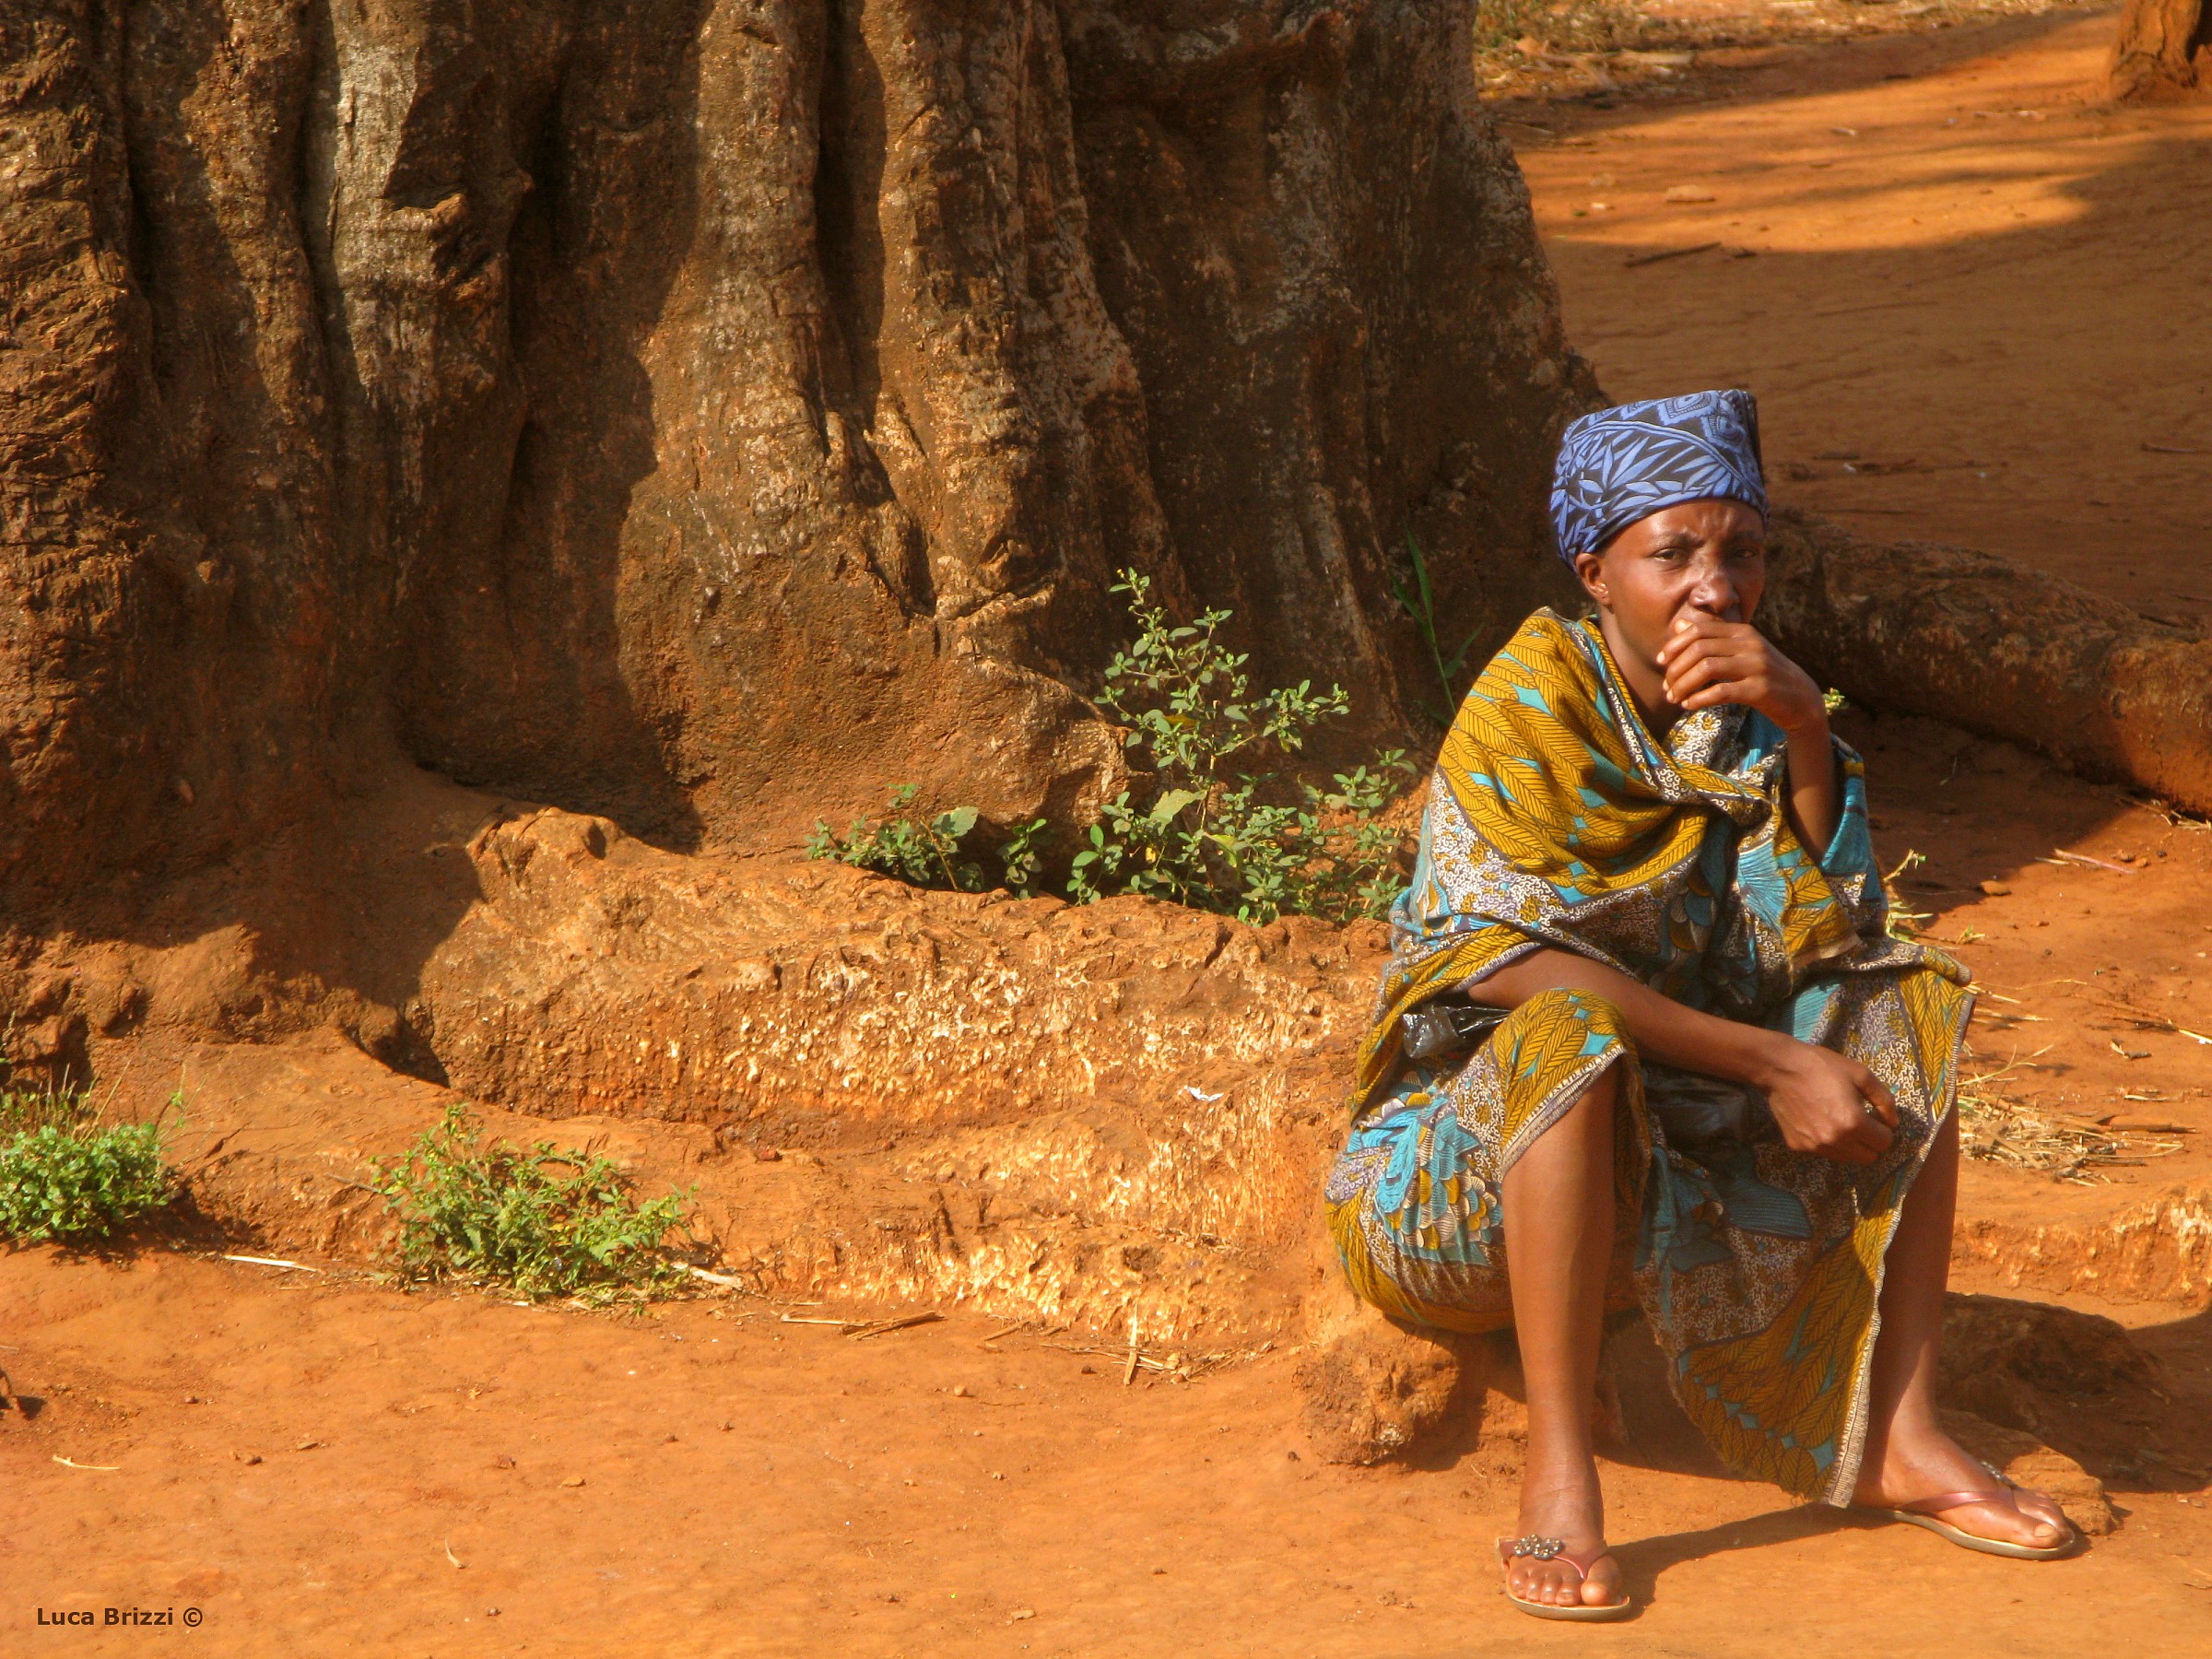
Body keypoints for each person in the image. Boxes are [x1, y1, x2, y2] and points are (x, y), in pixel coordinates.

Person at [1324, 390, 2074, 1623]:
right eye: (1672, 553)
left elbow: (1835, 944)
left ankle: (1901, 1432)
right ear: (1597, 573)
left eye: (1744, 552)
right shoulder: (1526, 712)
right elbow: (1500, 965)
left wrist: (1808, 730)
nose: (1715, 588)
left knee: (1907, 1008)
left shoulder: (1755, 720)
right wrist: (1773, 1069)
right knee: (1564, 1038)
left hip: (1664, 1155)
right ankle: (1560, 1477)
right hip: (1457, 1191)